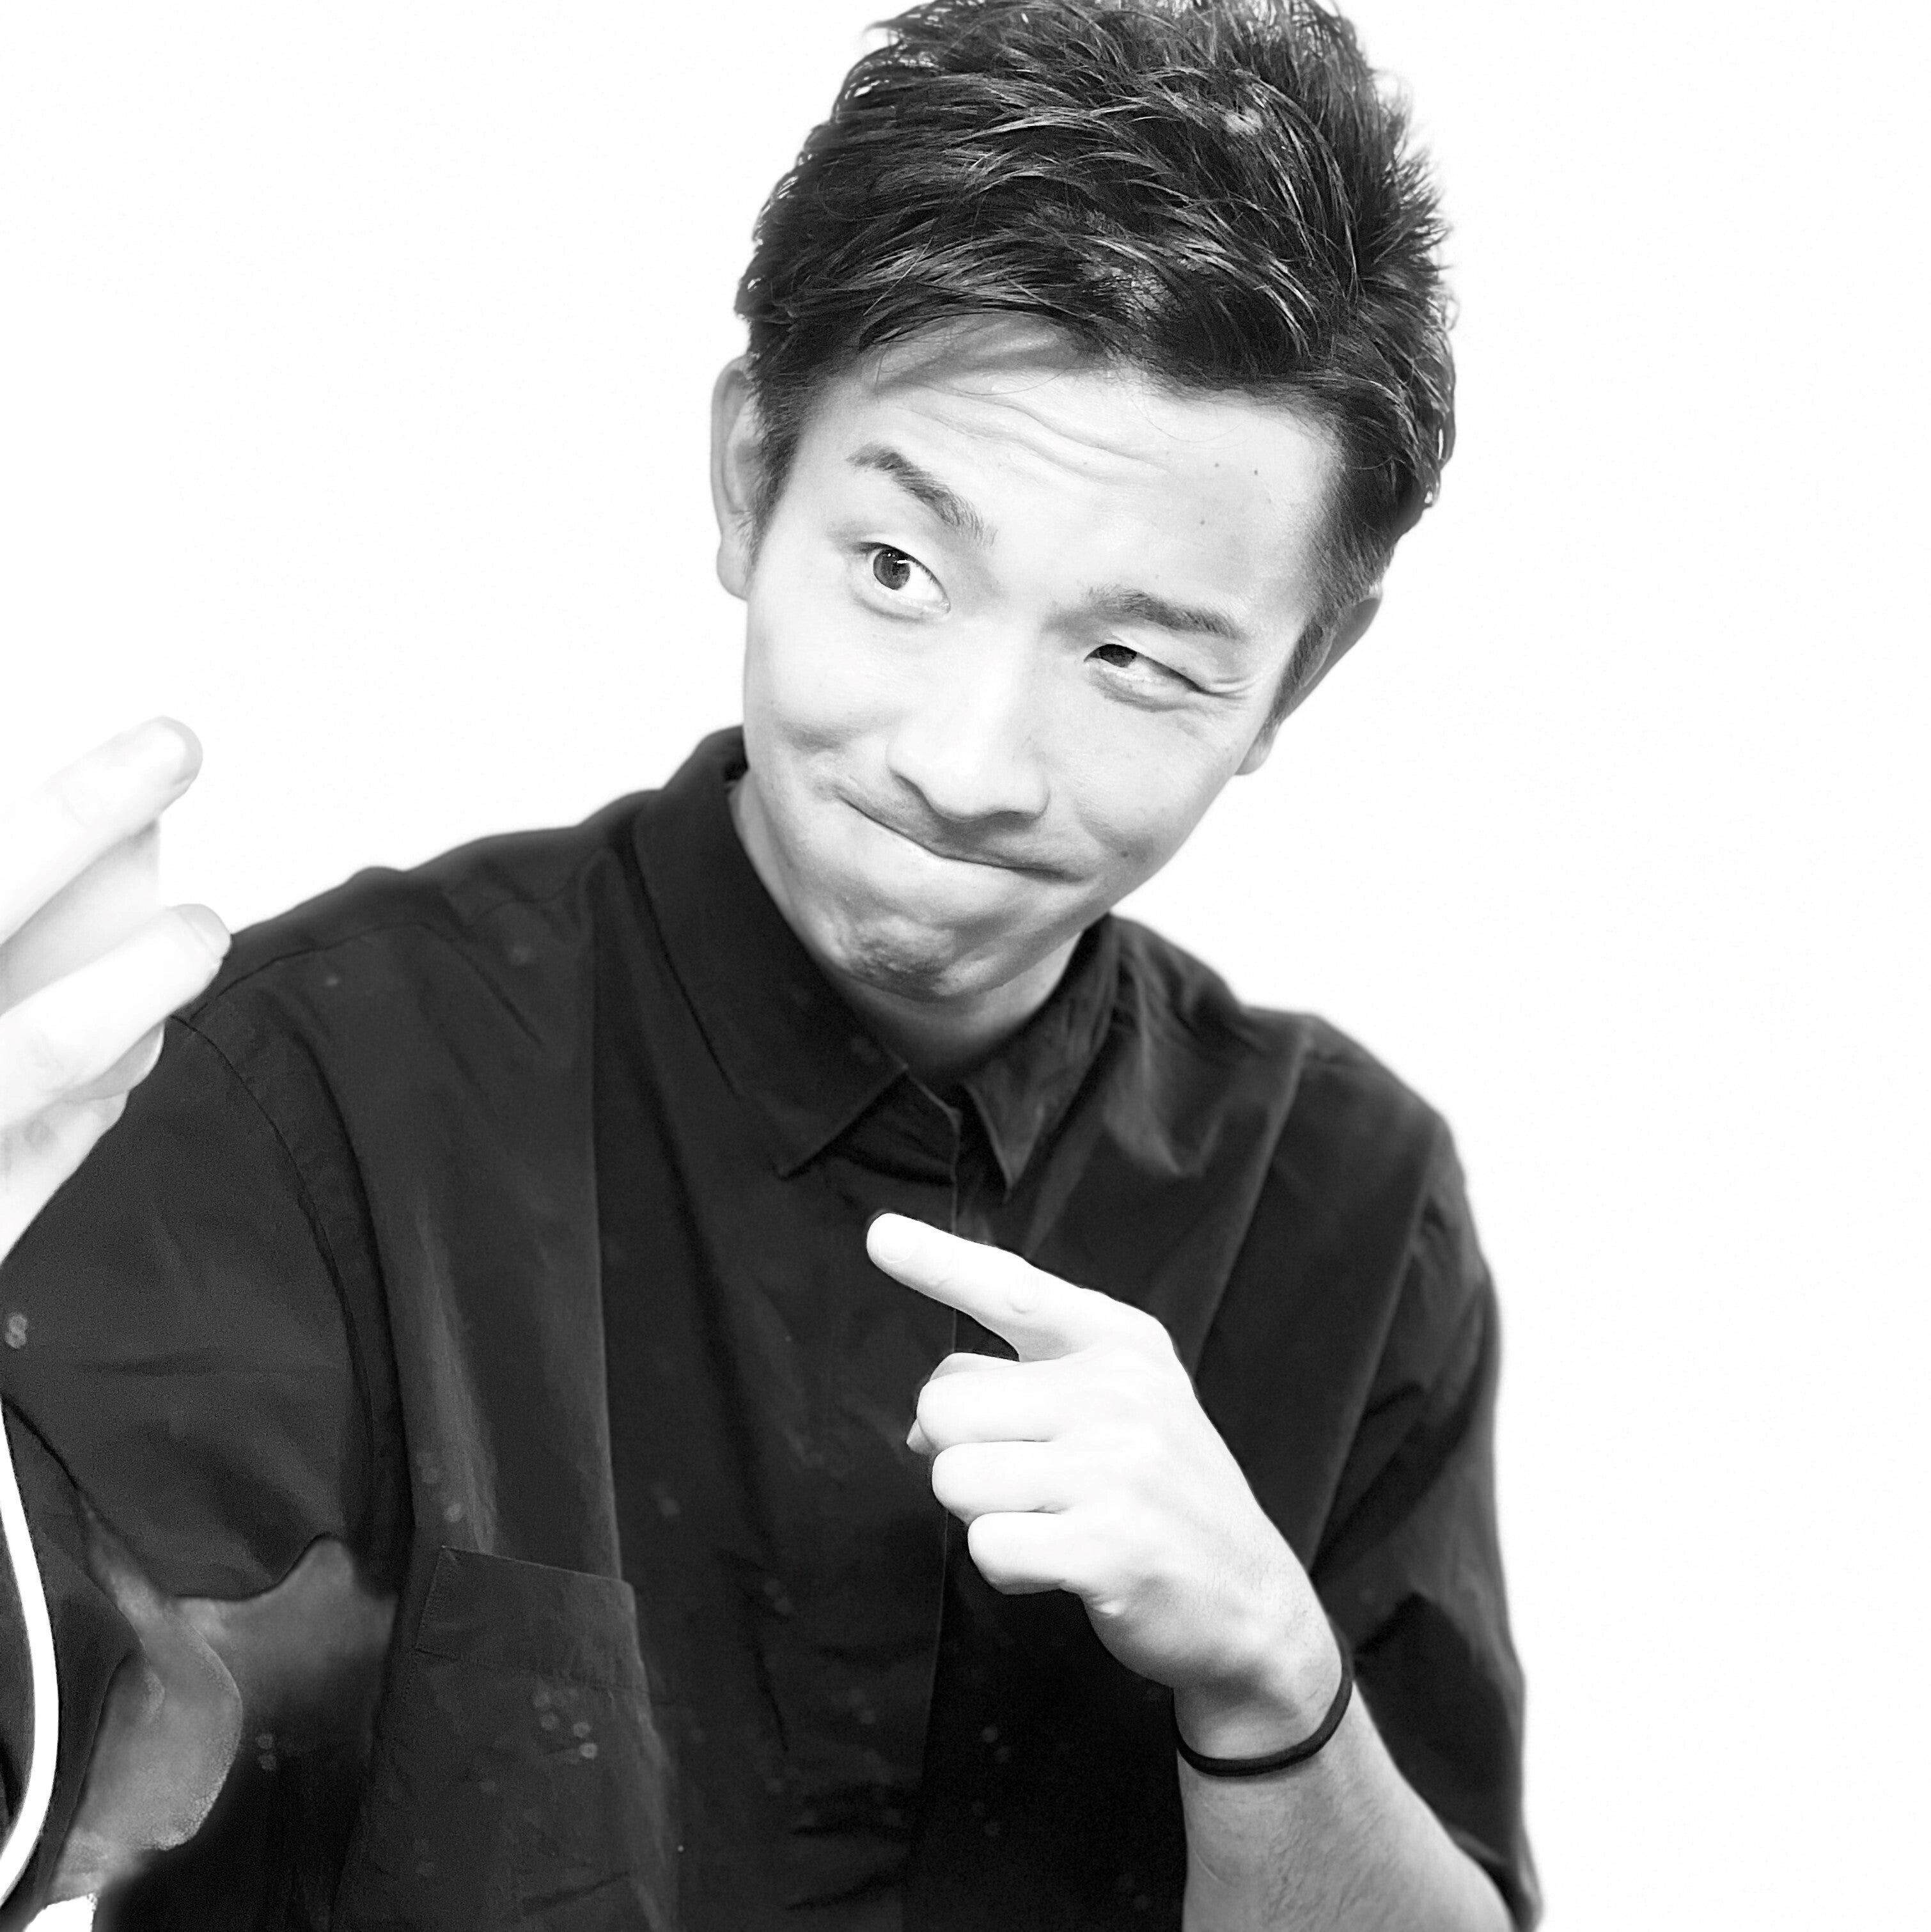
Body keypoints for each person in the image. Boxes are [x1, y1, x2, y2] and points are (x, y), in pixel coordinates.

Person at [0, 1, 1537, 1926]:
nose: (965, 763)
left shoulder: (1354, 1210)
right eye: (900, 569)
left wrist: (1269, 1683)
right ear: (749, 477)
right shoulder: (293, 1093)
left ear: (1299, 673)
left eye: (1134, 659)